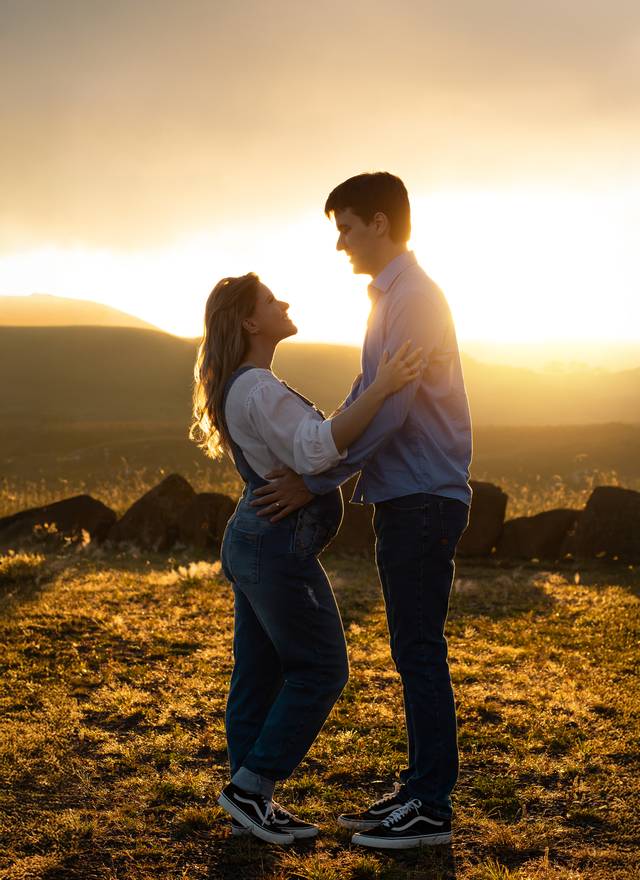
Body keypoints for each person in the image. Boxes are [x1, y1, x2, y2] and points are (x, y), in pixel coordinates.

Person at [251, 172, 473, 849]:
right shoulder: (390, 299)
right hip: (409, 496)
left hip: (423, 496)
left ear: (380, 223)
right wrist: (319, 453)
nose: (341, 242)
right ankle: (418, 790)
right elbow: (366, 392)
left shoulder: (414, 299)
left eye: (346, 226)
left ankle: (431, 806)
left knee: (418, 648)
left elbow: (394, 408)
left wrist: (320, 480)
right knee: (413, 648)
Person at [190, 271, 422, 845]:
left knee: (260, 671)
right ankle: (252, 787)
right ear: (249, 321)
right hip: (275, 546)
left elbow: (306, 449)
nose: (283, 302)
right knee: (321, 668)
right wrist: (383, 387)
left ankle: (249, 799)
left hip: (255, 541)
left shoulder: (247, 385)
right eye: (270, 300)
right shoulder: (259, 389)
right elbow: (317, 451)